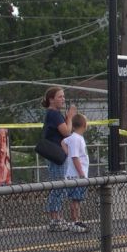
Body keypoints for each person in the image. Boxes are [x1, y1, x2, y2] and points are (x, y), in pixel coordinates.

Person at [41, 86, 81, 232]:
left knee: (60, 186)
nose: (63, 99)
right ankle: (55, 219)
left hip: (58, 154)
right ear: (51, 99)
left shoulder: (54, 114)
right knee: (58, 186)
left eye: (63, 96)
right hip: (56, 155)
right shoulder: (53, 114)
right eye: (60, 97)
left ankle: (57, 217)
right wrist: (69, 117)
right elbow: (67, 132)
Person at [62, 113, 90, 231]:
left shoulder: (74, 137)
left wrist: (67, 152)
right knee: (75, 200)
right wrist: (81, 174)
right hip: (76, 176)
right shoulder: (76, 139)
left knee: (77, 199)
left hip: (76, 175)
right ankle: (75, 221)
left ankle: (77, 220)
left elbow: (63, 142)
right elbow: (75, 157)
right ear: (84, 124)